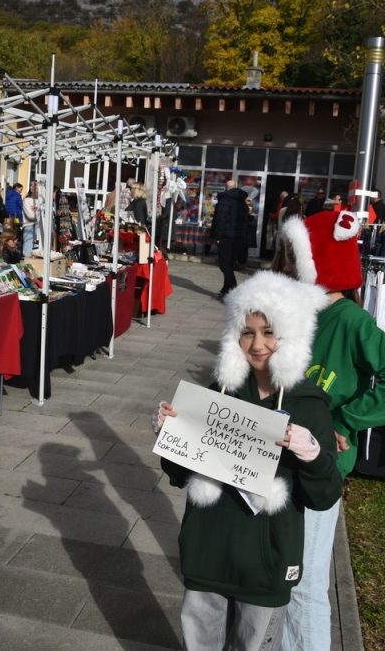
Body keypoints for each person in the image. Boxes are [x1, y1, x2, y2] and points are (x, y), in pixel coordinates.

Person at [156, 270, 342, 651]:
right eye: (247, 331)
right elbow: (177, 473)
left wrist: (312, 454)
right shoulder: (220, 394)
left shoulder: (310, 407)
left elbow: (324, 495)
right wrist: (170, 435)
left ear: (291, 334)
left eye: (269, 332)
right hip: (207, 556)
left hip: (265, 567)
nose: (257, 344)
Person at [273, 211, 385, 650]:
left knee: (305, 582)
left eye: (291, 256)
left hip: (322, 467)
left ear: (314, 260)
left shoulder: (351, 320)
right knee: (283, 569)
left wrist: (345, 420)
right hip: (282, 457)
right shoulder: (298, 313)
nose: (283, 265)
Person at [211, 179, 250, 299]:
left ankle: (233, 290)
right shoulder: (243, 202)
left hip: (226, 237)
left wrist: (218, 236)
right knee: (229, 264)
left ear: (226, 187)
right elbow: (245, 221)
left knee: (224, 264)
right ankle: (226, 289)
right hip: (238, 237)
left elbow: (220, 220)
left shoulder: (224, 200)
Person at [22, 180, 39, 256]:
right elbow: (30, 215)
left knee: (36, 248)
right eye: (31, 185)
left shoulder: (40, 200)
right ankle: (27, 261)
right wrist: (40, 215)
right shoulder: (26, 200)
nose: (33, 187)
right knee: (28, 247)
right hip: (29, 225)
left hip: (38, 226)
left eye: (35, 185)